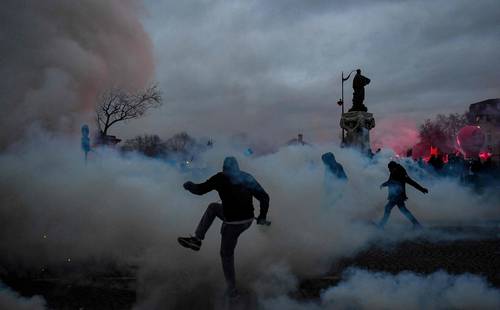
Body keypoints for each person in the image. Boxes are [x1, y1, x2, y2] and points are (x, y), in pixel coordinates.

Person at [178, 157, 270, 298]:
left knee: (226, 254)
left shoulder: (220, 177)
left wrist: (189, 185)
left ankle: (231, 290)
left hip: (233, 223)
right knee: (214, 207)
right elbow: (264, 197)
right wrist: (262, 216)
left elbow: (200, 190)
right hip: (247, 220)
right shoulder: (246, 177)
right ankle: (196, 239)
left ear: (224, 168)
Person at [378, 161, 429, 229]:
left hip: (398, 196)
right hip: (395, 195)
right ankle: (416, 224)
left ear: (394, 167)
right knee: (404, 210)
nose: (389, 170)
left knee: (388, 208)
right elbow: (390, 181)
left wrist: (422, 189)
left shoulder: (402, 173)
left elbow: (411, 182)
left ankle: (381, 226)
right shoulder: (393, 172)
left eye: (390, 169)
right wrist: (384, 184)